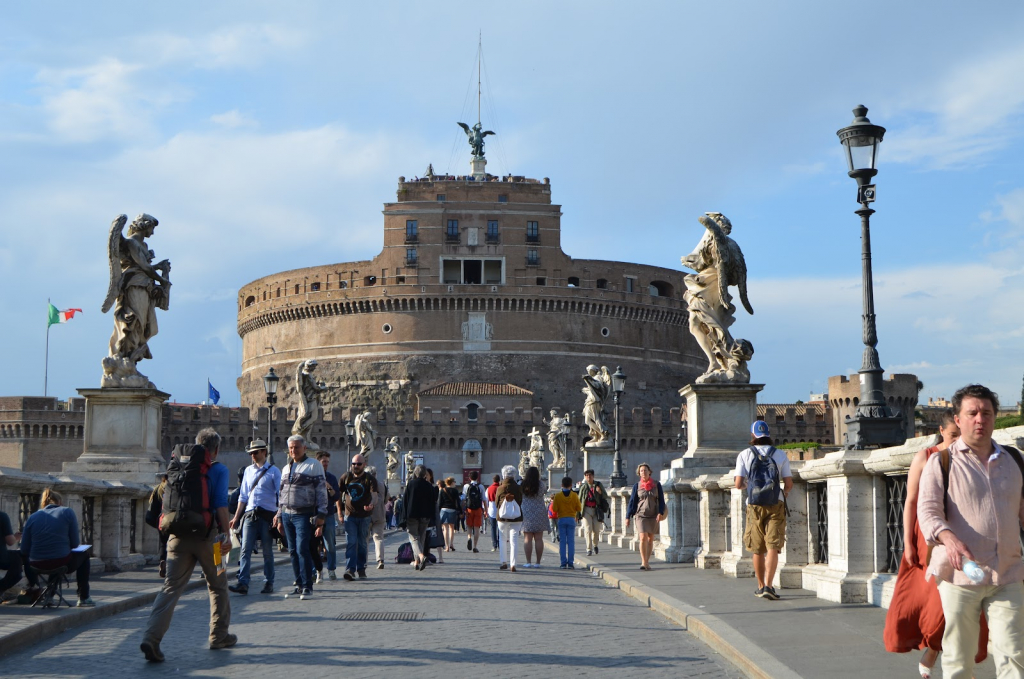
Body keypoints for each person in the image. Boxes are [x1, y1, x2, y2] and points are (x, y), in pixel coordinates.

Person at [918, 384, 1024, 679]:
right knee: (959, 658)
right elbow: (927, 511)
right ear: (958, 419)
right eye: (972, 413)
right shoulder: (941, 462)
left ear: (994, 417)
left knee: (1014, 654)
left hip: (1008, 572)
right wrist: (948, 539)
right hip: (960, 574)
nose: (980, 419)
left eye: (986, 413)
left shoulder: (1015, 460)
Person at [885, 410, 988, 678]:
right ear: (941, 431)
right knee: (936, 604)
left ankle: (947, 656)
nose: (956, 440)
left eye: (960, 435)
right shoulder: (926, 456)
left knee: (962, 600)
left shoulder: (970, 457)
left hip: (964, 536)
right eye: (952, 435)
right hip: (928, 540)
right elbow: (910, 501)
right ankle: (939, 651)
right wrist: (908, 542)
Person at [141, 428, 233, 662]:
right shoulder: (219, 470)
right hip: (211, 539)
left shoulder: (178, 468)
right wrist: (227, 535)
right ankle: (218, 636)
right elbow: (221, 505)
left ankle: (151, 638)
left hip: (177, 537)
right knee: (218, 585)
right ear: (216, 450)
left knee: (170, 588)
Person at [733, 422, 792, 596]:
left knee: (757, 548)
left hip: (754, 505)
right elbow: (789, 483)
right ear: (768, 434)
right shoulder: (780, 454)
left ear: (753, 435)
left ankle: (760, 586)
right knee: (773, 545)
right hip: (776, 503)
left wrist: (750, 487)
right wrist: (784, 493)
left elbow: (738, 484)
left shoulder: (744, 454)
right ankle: (769, 585)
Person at [274, 435, 327, 600]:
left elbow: (321, 491)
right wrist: (279, 516)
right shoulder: (286, 468)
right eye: (290, 448)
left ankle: (307, 586)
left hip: (304, 514)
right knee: (292, 551)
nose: (293, 450)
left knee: (302, 549)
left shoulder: (314, 465)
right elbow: (281, 495)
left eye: (296, 447)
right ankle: (298, 584)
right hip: (287, 514)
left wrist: (322, 514)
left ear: (304, 448)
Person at [20, 489, 93, 607]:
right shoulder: (67, 512)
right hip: (60, 561)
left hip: (35, 564)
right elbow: (75, 543)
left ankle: (48, 595)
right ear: (59, 502)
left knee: (57, 556)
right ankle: (83, 597)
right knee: (83, 554)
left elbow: (24, 549)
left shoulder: (33, 517)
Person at [228, 439, 281, 595]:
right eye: (251, 453)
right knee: (245, 550)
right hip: (250, 514)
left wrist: (278, 514)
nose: (253, 455)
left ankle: (269, 582)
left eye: (256, 452)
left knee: (267, 551)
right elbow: (243, 496)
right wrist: (236, 517)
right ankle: (243, 582)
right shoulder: (248, 471)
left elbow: (280, 495)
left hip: (267, 515)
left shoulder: (274, 471)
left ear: (264, 452)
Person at [338, 453, 378, 580]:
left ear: (364, 465)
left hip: (365, 516)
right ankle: (350, 569)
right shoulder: (346, 477)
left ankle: (361, 568)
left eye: (359, 464)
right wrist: (339, 512)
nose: (356, 466)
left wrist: (371, 504)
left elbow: (375, 496)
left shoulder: (369, 479)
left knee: (362, 544)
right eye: (354, 464)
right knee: (351, 542)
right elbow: (338, 495)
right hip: (349, 516)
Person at [626, 462, 667, 571]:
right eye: (641, 471)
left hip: (653, 515)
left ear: (649, 472)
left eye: (645, 470)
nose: (643, 472)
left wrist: (660, 512)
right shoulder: (637, 486)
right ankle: (643, 562)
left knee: (650, 538)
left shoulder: (657, 485)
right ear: (639, 473)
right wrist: (628, 516)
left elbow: (661, 500)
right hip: (641, 515)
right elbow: (632, 501)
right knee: (643, 537)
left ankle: (647, 561)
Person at [315, 450, 342, 581]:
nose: (326, 464)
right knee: (313, 545)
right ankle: (316, 571)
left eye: (327, 462)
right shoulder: (312, 477)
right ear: (318, 462)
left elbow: (336, 497)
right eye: (324, 461)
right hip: (314, 515)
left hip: (329, 514)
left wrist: (329, 487)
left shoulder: (331, 478)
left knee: (330, 544)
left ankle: (331, 569)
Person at [402, 465, 435, 571]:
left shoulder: (411, 484)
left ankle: (421, 556)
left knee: (414, 538)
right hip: (425, 515)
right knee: (421, 537)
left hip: (412, 515)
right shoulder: (429, 486)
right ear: (425, 474)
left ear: (415, 473)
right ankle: (417, 562)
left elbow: (405, 501)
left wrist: (403, 516)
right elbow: (433, 502)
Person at [495, 466, 523, 572]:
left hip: (502, 517)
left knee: (502, 539)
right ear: (514, 475)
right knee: (514, 540)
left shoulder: (500, 488)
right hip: (516, 516)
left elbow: (496, 503)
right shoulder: (518, 488)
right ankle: (513, 564)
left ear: (503, 475)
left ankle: (503, 562)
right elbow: (520, 501)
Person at [519, 466, 548, 568]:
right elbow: (545, 492)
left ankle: (528, 562)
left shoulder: (522, 484)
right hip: (539, 512)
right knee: (539, 539)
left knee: (527, 538)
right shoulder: (541, 485)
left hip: (526, 513)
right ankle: (538, 562)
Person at [551, 475, 581, 569]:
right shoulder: (574, 495)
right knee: (571, 542)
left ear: (562, 485)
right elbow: (579, 508)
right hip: (571, 519)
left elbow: (554, 509)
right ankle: (571, 563)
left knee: (562, 542)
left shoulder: (558, 496)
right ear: (571, 485)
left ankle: (563, 563)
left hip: (562, 519)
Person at [577, 469, 609, 556]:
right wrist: (577, 514)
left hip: (596, 510)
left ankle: (595, 545)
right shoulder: (583, 487)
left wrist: (600, 492)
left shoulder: (598, 485)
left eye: (590, 475)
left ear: (593, 476)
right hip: (586, 510)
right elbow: (579, 500)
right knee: (588, 530)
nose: (588, 477)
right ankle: (589, 549)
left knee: (596, 530)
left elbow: (605, 496)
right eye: (587, 475)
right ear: (585, 477)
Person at [365, 465, 389, 569]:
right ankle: (380, 560)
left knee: (364, 539)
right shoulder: (382, 485)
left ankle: (364, 561)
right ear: (375, 474)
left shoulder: (364, 484)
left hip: (366, 514)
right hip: (379, 514)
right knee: (378, 538)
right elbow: (386, 499)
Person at [0, 509, 23, 598]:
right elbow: (10, 541)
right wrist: (17, 537)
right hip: (1, 557)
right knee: (18, 557)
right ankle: (33, 586)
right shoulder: (2, 516)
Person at [462, 470, 486, 552]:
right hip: (478, 509)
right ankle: (475, 546)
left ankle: (469, 537)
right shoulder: (481, 486)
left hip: (469, 509)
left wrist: (463, 509)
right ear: (477, 477)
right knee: (477, 528)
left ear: (469, 478)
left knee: (469, 526)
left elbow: (463, 499)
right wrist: (485, 510)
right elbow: (484, 499)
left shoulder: (466, 486)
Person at [438, 477, 461, 551]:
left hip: (444, 509)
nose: (455, 483)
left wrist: (438, 511)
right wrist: (460, 511)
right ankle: (451, 544)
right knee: (452, 527)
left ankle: (447, 546)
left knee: (445, 528)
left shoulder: (442, 490)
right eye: (454, 482)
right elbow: (458, 502)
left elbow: (439, 502)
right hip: (452, 510)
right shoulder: (455, 491)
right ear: (452, 483)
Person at [486, 473, 501, 552]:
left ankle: (494, 545)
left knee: (493, 528)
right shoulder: (501, 488)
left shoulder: (489, 488)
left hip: (491, 508)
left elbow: (486, 499)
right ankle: (500, 544)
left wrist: (485, 510)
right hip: (500, 508)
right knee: (500, 528)